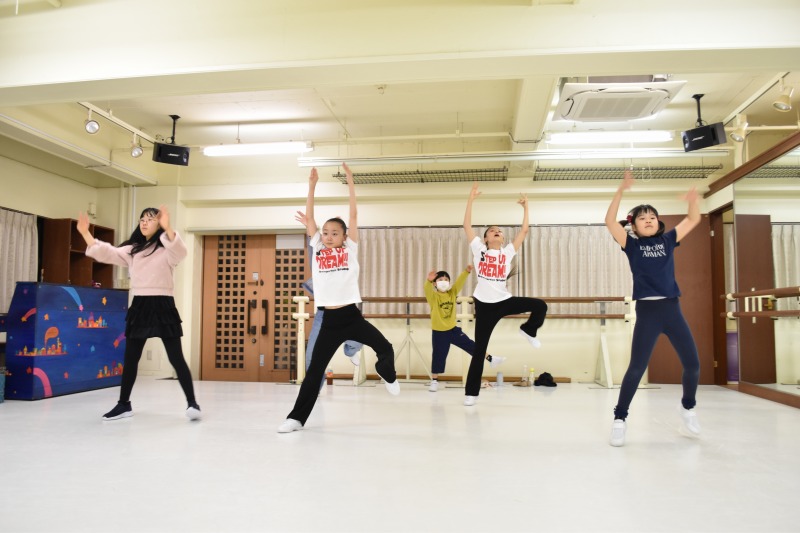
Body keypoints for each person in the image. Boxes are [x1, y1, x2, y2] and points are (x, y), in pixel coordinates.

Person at [278, 164, 400, 433]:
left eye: (335, 233)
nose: (329, 236)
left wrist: (351, 182)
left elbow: (353, 215)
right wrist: (312, 186)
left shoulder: (350, 248)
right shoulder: (317, 247)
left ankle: (388, 375)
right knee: (314, 371)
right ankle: (295, 418)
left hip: (351, 316)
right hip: (329, 320)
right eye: (326, 232)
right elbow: (311, 219)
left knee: (385, 348)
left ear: (345, 236)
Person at [605, 169, 701, 447]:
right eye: (642, 218)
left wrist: (693, 201)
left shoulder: (668, 240)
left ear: (658, 223)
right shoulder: (631, 245)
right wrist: (620, 190)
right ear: (633, 226)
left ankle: (688, 408)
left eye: (652, 217)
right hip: (647, 313)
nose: (648, 220)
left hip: (672, 310)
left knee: (693, 364)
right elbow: (609, 221)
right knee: (636, 368)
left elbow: (693, 219)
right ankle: (620, 419)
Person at [77, 206, 201, 421]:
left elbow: (181, 251)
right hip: (140, 305)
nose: (144, 222)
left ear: (158, 224)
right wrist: (85, 233)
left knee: (176, 358)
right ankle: (124, 404)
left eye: (150, 219)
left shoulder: (167, 249)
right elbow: (107, 252)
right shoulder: (133, 250)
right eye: (142, 219)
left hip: (163, 305)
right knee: (131, 358)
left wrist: (168, 228)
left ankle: (192, 403)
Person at [462, 183, 548, 406]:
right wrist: (471, 199)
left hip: (504, 301)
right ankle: (471, 393)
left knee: (540, 305)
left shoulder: (507, 252)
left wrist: (526, 207)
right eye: (492, 230)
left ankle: (529, 330)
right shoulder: (479, 250)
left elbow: (524, 231)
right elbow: (466, 225)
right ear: (486, 238)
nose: (497, 232)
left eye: (499, 230)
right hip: (484, 306)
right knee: (479, 351)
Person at [424, 266, 506, 392]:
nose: (443, 282)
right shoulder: (433, 297)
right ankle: (434, 381)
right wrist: (428, 281)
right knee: (438, 356)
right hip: (439, 332)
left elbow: (459, 283)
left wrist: (466, 272)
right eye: (440, 280)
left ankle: (491, 359)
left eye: (446, 280)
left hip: (453, 330)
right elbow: (427, 289)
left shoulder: (452, 293)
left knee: (471, 345)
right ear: (435, 283)